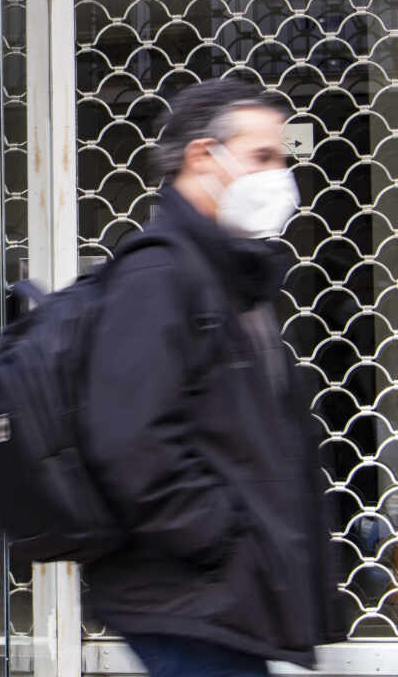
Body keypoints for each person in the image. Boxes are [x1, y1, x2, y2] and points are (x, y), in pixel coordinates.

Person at [81, 79, 345, 676]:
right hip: (188, 596)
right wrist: (222, 537)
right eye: (264, 157)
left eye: (283, 159)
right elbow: (129, 441)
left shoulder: (227, 274)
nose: (282, 176)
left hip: (217, 596)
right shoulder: (159, 275)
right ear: (204, 156)